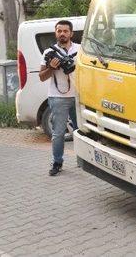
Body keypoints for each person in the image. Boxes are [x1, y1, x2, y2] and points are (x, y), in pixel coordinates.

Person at [39, 20, 80, 176]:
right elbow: (42, 77)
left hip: (79, 96)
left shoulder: (80, 49)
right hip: (58, 98)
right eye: (59, 31)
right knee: (58, 134)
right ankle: (57, 162)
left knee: (81, 131)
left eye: (65, 31)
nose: (62, 33)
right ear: (55, 33)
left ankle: (83, 161)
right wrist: (52, 67)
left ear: (71, 33)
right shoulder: (49, 53)